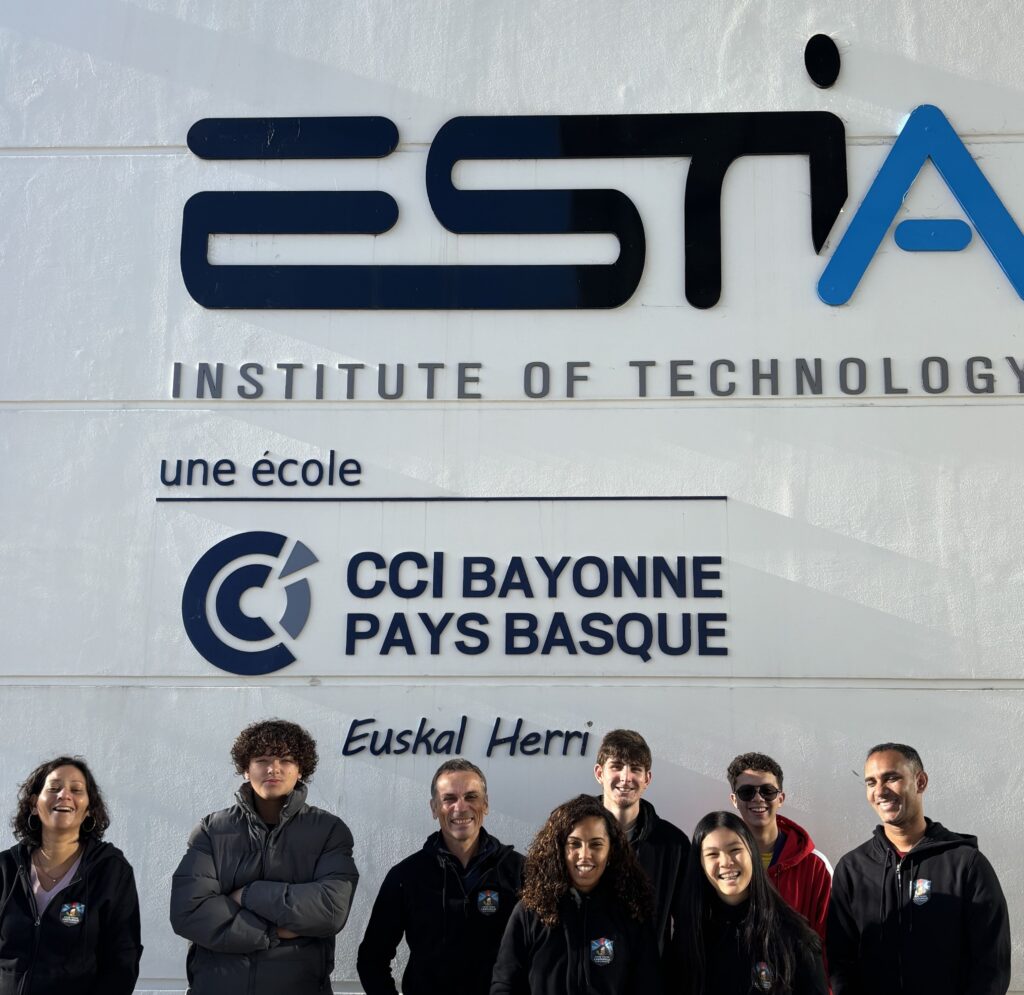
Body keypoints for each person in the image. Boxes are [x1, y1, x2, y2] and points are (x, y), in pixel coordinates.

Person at [170, 718, 358, 995]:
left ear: (301, 769)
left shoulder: (329, 831)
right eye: (262, 760)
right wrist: (273, 932)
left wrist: (247, 895)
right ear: (246, 769)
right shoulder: (213, 830)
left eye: (286, 760)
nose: (273, 769)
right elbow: (190, 911)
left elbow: (330, 910)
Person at [827, 742, 1011, 995]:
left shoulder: (966, 864)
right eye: (871, 782)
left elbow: (991, 964)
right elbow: (840, 960)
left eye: (891, 778)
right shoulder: (852, 868)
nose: (880, 791)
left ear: (920, 782)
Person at [357, 758, 525, 995]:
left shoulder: (521, 872)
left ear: (485, 804)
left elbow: (545, 954)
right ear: (434, 808)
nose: (460, 807)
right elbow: (372, 958)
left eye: (471, 796)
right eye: (449, 799)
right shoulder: (406, 876)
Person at [0, 755, 142, 994]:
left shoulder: (111, 871)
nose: (64, 795)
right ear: (34, 804)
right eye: (54, 788)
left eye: (76, 790)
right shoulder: (6, 868)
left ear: (89, 809)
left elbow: (122, 960)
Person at [490, 794, 659, 995]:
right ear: (559, 849)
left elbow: (649, 987)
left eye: (596, 844)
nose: (585, 855)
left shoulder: (631, 913)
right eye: (574, 844)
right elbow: (504, 985)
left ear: (611, 851)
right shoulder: (529, 913)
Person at [681, 810, 827, 995]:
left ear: (752, 854)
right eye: (712, 854)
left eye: (735, 850)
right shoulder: (691, 936)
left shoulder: (794, 937)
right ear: (700, 865)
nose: (725, 862)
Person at [593, 729, 689, 971]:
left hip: (649, 979)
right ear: (599, 773)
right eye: (616, 766)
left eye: (635, 768)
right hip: (585, 979)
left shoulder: (674, 845)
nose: (626, 777)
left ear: (647, 779)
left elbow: (687, 925)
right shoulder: (572, 836)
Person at [727, 751, 832, 938]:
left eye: (767, 791)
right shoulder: (721, 861)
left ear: (780, 799)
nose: (758, 798)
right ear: (734, 800)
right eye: (747, 792)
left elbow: (827, 938)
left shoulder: (815, 865)